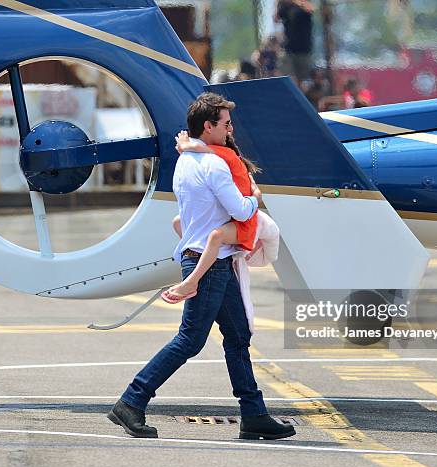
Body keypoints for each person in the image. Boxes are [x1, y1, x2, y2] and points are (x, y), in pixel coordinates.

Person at [107, 92, 296, 441]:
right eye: (225, 124)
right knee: (189, 341)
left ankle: (253, 413)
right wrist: (255, 199)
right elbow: (240, 210)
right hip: (209, 264)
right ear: (207, 127)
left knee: (238, 337)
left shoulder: (187, 161)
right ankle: (131, 401)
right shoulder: (213, 165)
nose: (230, 129)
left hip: (211, 259)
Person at [161, 131, 261, 304]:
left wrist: (185, 145)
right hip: (239, 218)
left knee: (216, 235)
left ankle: (192, 281)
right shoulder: (229, 158)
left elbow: (197, 148)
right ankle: (202, 255)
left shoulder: (224, 155)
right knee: (178, 221)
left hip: (245, 225)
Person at [275, 0, 315, 87]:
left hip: (303, 48)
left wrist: (295, 1)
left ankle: (300, 97)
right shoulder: (285, 6)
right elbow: (276, 19)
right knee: (288, 78)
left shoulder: (303, 4)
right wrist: (277, 3)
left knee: (302, 81)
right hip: (288, 48)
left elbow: (311, 9)